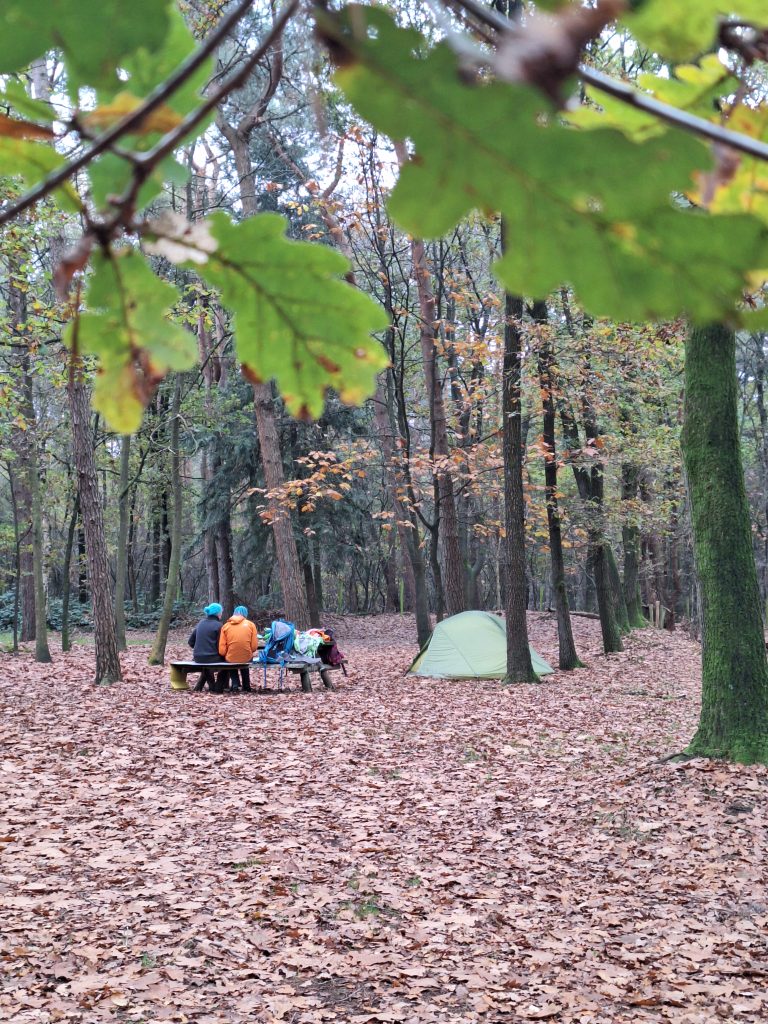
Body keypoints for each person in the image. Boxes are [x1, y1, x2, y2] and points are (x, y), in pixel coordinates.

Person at [218, 605, 259, 693]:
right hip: (246, 657)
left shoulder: (225, 626)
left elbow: (222, 649)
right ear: (245, 614)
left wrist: (225, 654)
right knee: (245, 659)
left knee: (231, 660)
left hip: (231, 657)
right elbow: (254, 647)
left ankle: (235, 684)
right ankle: (246, 686)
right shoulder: (251, 625)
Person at [189, 603, 226, 693]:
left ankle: (212, 685)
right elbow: (220, 645)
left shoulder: (200, 624)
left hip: (198, 657)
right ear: (218, 614)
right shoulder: (219, 626)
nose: (221, 614)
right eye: (221, 612)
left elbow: (190, 642)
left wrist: (201, 648)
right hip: (212, 657)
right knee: (227, 666)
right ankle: (218, 687)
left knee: (206, 666)